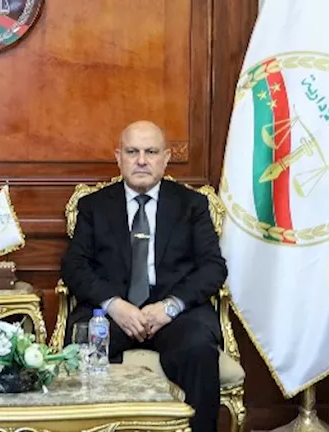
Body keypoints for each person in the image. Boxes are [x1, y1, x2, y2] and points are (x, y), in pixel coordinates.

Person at [60, 120, 227, 431]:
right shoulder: (94, 206)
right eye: (132, 152)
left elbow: (213, 267)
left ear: (166, 158)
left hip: (176, 314)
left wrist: (170, 307)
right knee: (82, 345)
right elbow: (74, 266)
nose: (141, 160)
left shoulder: (192, 205)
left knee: (198, 349)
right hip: (112, 314)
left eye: (151, 152)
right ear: (118, 157)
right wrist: (114, 305)